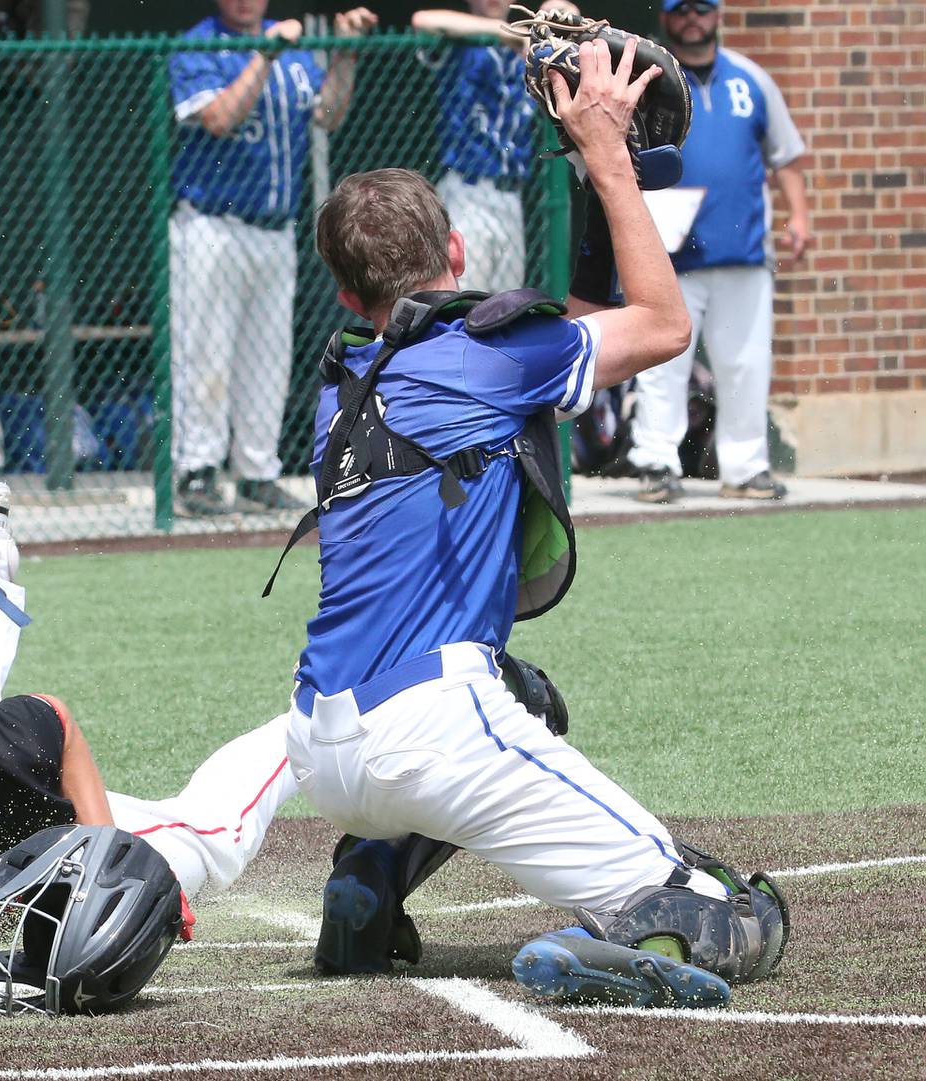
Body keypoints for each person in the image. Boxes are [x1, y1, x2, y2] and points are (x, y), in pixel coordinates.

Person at [284, 40, 787, 1006]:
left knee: (533, 693)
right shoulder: (490, 357)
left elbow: (494, 324)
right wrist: (604, 155)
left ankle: (368, 879)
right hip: (430, 731)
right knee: (729, 918)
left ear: (347, 295)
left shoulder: (342, 371)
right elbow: (663, 325)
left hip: (322, 742)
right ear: (461, 250)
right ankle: (600, 946)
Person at [0, 475, 297, 955]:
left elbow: (55, 721)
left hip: (60, 849)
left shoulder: (2, 752)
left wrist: (109, 858)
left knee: (212, 843)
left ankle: (312, 716)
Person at [168, 0, 378, 516]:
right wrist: (263, 55)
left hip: (275, 227)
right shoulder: (198, 43)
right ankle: (198, 471)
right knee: (206, 351)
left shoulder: (290, 44)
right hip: (212, 223)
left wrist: (344, 57)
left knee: (268, 354)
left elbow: (327, 116)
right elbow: (219, 118)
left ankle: (257, 471)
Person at [627, 0, 810, 504]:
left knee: (747, 364)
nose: (692, 18)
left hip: (743, 251)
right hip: (669, 251)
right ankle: (656, 464)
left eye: (701, 8)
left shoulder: (751, 79)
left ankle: (746, 468)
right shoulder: (653, 79)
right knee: (663, 364)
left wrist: (800, 215)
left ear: (717, 15)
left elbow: (786, 153)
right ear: (665, 18)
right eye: (681, 9)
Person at [410, 1, 578, 294]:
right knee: (464, 298)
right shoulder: (464, 38)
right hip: (467, 189)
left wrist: (539, 24)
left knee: (504, 307)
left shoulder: (530, 45)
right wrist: (504, 33)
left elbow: (568, 11)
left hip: (511, 195)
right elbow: (423, 18)